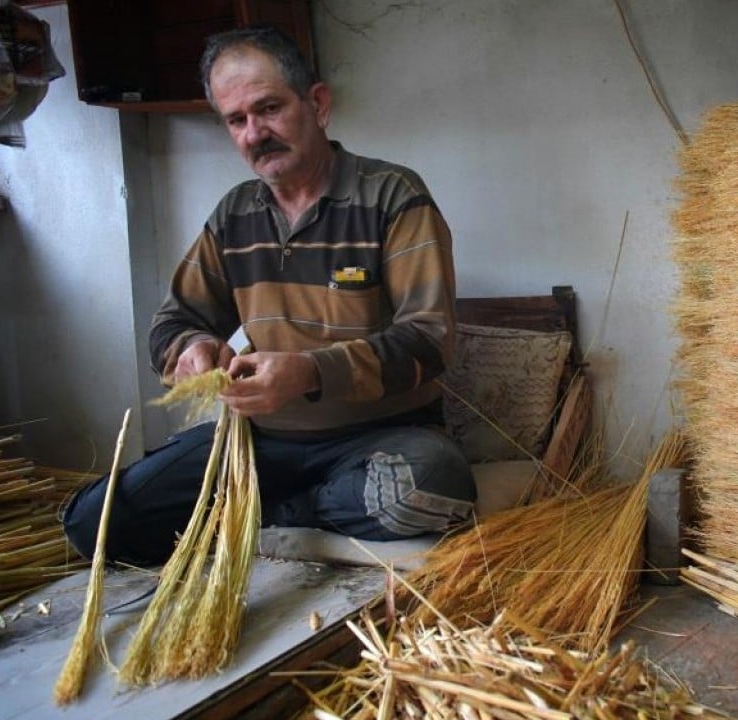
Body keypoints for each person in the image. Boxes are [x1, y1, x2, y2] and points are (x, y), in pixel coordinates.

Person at [62, 26, 475, 566]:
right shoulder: (235, 215)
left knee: (436, 483)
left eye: (269, 108)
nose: (255, 133)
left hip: (379, 440)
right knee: (94, 522)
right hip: (259, 442)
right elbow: (172, 322)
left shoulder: (394, 196)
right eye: (237, 120)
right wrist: (191, 350)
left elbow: (427, 341)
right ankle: (292, 512)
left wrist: (308, 372)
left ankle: (275, 513)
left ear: (318, 104)